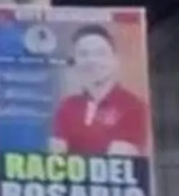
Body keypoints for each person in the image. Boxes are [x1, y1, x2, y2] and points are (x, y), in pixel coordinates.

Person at [49, 23, 150, 157]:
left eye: (100, 53)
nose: (92, 60)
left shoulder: (133, 106)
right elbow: (56, 156)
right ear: (75, 61)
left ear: (115, 60)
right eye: (83, 54)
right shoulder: (67, 106)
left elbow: (119, 160)